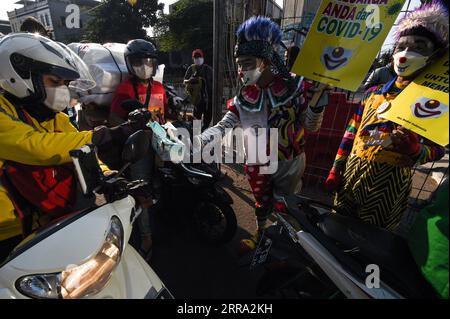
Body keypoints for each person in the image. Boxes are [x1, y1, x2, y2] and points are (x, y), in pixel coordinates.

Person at [0, 33, 147, 261]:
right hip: (7, 233)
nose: (64, 90)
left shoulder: (54, 118)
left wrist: (110, 177)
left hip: (48, 221)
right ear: (21, 76)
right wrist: (104, 134)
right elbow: (35, 147)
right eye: (55, 82)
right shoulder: (3, 111)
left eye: (66, 84)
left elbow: (81, 148)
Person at [196, 16, 327, 253]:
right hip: (255, 159)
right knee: (262, 203)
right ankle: (262, 236)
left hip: (289, 159)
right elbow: (225, 124)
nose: (240, 71)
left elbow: (310, 126)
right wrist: (201, 140)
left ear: (266, 62)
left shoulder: (296, 88)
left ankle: (287, 244)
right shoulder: (245, 96)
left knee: (287, 205)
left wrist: (318, 105)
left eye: (246, 63)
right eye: (239, 65)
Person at [325, 1, 448, 231]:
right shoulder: (372, 94)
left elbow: (438, 147)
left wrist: (415, 150)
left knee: (370, 242)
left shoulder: (432, 104)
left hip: (387, 189)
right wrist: (336, 168)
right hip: (349, 180)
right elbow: (351, 133)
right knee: (336, 230)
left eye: (419, 47)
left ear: (434, 57)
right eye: (401, 47)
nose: (405, 55)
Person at [110, 39, 168, 261]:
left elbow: (166, 114)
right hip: (139, 145)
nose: (144, 66)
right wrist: (132, 125)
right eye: (138, 62)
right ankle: (146, 238)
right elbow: (114, 118)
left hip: (161, 143)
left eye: (148, 61)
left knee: (160, 182)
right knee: (142, 190)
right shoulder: (124, 88)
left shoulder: (160, 87)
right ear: (129, 64)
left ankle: (161, 221)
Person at [184, 49, 213, 131]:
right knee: (196, 121)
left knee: (207, 121)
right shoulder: (191, 69)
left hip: (208, 100)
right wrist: (190, 80)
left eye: (199, 57)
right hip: (197, 100)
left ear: (202, 57)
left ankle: (204, 133)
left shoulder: (208, 69)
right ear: (193, 59)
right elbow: (184, 81)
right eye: (196, 57)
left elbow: (215, 82)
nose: (198, 59)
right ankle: (196, 136)